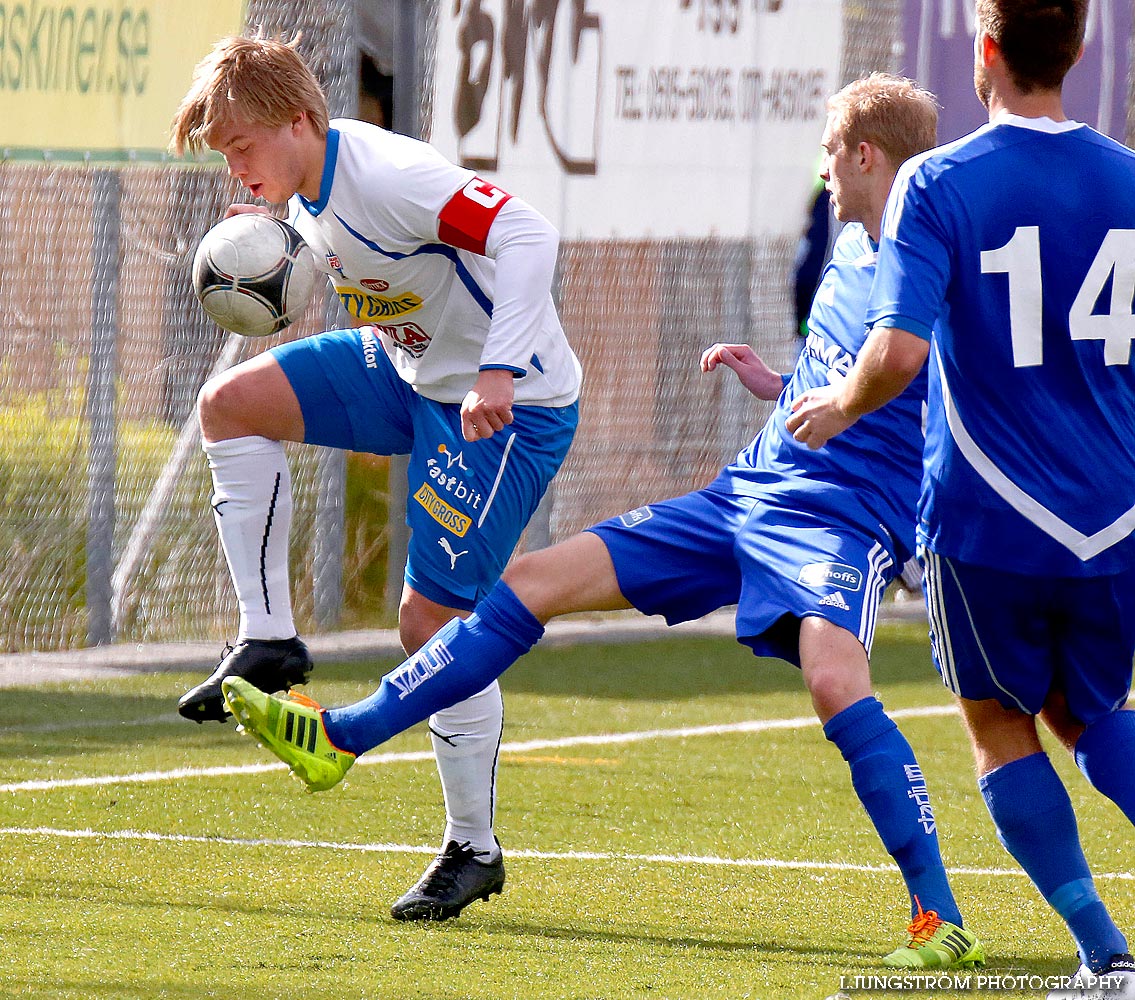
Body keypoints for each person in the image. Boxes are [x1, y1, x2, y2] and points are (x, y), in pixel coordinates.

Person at [221, 74, 986, 971]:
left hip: (840, 522)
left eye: (829, 154)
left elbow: (927, 385)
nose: (821, 173)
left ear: (866, 156)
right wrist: (779, 385)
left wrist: (931, 522)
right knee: (528, 585)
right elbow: (854, 371)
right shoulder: (852, 249)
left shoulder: (930, 265)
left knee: (832, 682)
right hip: (747, 494)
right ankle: (342, 736)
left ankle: (941, 921)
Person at [170, 34, 582, 922]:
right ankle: (268, 639)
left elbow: (526, 231)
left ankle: (472, 848)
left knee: (429, 621)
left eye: (242, 146)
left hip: (509, 405)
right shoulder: (297, 190)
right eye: (225, 153)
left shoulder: (389, 177)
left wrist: (501, 369)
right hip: (407, 373)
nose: (236, 168)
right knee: (230, 405)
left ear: (301, 121)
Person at [785, 2, 1135, 993]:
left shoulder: (938, 180)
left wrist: (839, 406)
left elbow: (894, 351)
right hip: (1112, 516)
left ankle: (1106, 953)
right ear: (1076, 49)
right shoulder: (1127, 180)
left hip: (987, 514)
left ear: (984, 51)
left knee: (996, 723)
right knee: (1091, 710)